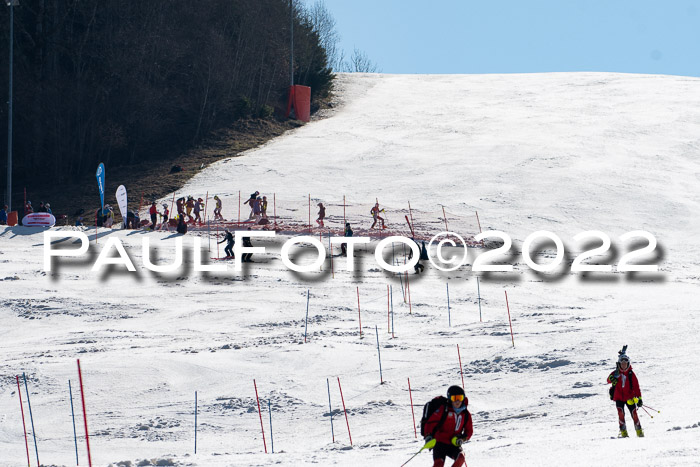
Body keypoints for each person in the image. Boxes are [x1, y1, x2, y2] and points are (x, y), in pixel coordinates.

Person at [421, 385, 473, 467]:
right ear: (450, 399)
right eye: (454, 398)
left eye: (460, 397)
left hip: (454, 443)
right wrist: (428, 436)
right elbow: (430, 423)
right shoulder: (444, 410)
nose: (457, 401)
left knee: (461, 458)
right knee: (439, 464)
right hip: (439, 443)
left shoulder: (465, 414)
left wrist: (462, 439)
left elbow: (469, 431)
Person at [607, 346, 644, 438]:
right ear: (619, 364)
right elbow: (608, 380)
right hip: (618, 397)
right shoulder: (616, 373)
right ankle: (623, 432)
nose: (624, 365)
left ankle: (639, 431)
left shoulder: (631, 374)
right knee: (621, 413)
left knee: (634, 413)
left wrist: (639, 398)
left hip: (630, 398)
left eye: (625, 363)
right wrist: (612, 379)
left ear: (628, 364)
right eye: (622, 363)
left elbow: (636, 387)